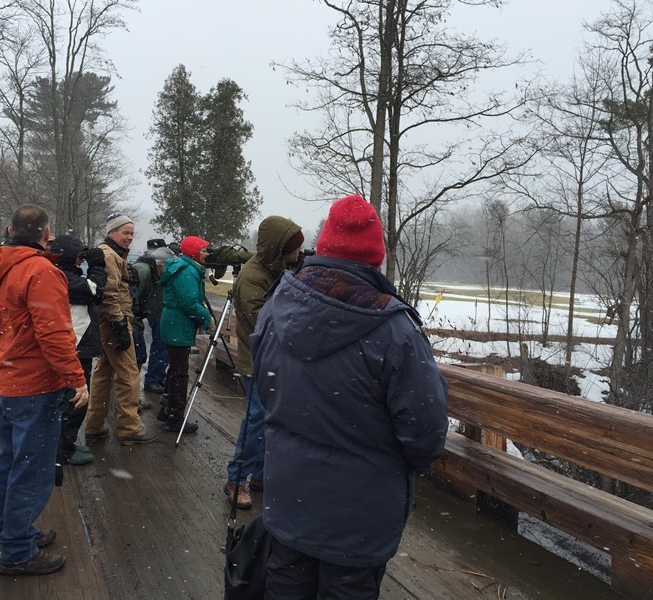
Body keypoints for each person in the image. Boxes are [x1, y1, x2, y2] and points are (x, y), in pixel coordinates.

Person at [250, 194, 449, 599]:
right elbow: (425, 433)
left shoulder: (277, 305)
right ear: (377, 256)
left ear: (324, 247)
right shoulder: (394, 328)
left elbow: (266, 388)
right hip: (358, 518)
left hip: (289, 498)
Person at [0, 204, 88, 576]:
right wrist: (76, 377)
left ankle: (11, 532)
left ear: (10, 231)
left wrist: (3, 358)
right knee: (32, 468)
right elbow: (54, 333)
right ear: (47, 233)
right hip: (35, 386)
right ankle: (17, 552)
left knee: (11, 462)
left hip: (7, 383)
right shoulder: (41, 271)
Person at [224, 217, 303, 510]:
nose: (297, 255)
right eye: (293, 250)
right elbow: (264, 323)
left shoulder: (273, 269)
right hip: (257, 361)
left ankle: (258, 474)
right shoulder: (253, 277)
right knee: (257, 420)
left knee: (269, 420)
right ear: (279, 249)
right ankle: (236, 479)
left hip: (270, 359)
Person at [84, 213, 157, 446]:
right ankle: (129, 428)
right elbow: (109, 294)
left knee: (104, 374)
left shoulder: (114, 254)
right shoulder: (109, 255)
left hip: (107, 321)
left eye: (132, 233)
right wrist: (118, 325)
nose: (129, 237)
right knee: (128, 375)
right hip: (114, 321)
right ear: (112, 232)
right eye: (125, 232)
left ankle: (94, 426)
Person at [49, 235, 108, 466]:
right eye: (79, 256)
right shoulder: (64, 278)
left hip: (73, 346)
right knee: (75, 402)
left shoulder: (57, 273)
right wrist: (97, 265)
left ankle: (64, 444)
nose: (80, 260)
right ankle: (63, 450)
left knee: (70, 402)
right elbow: (95, 289)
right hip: (75, 347)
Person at [158, 235, 213, 434]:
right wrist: (207, 318)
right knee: (180, 372)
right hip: (178, 325)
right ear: (194, 252)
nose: (208, 254)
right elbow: (189, 302)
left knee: (174, 369)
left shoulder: (184, 268)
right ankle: (175, 416)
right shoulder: (188, 272)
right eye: (205, 250)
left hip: (174, 324)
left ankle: (167, 409)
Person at [129, 238, 175, 397]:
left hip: (150, 312)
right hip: (134, 317)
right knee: (137, 355)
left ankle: (150, 380)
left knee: (154, 347)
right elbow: (130, 298)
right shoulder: (143, 270)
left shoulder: (151, 268)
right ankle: (131, 393)